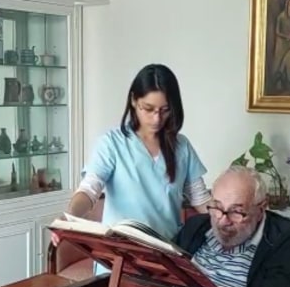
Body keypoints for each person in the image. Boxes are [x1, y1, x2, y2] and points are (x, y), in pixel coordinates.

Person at [49, 63, 211, 264]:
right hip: (118, 259)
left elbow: (200, 199)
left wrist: (229, 218)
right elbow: (89, 191)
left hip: (166, 259)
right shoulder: (112, 144)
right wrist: (69, 218)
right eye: (148, 109)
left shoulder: (182, 147)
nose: (156, 118)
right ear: (134, 100)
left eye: (165, 110)